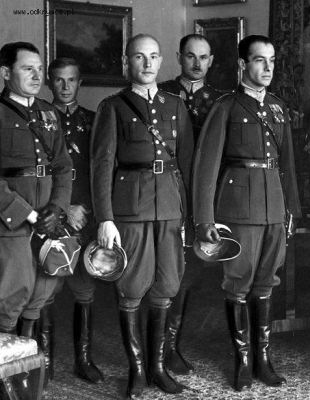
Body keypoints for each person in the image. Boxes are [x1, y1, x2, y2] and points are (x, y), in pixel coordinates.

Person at [193, 34, 301, 392]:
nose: (268, 68)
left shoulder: (279, 108)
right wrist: (204, 219)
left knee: (267, 280)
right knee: (238, 281)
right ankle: (241, 361)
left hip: (274, 206)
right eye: (259, 60)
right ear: (242, 65)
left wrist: (292, 209)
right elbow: (207, 165)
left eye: (272, 60)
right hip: (238, 207)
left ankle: (263, 360)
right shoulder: (226, 106)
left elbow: (288, 165)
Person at [90, 34, 193, 398]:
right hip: (130, 208)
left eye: (153, 56)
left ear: (162, 61)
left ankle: (158, 368)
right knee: (131, 287)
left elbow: (188, 164)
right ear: (126, 62)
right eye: (139, 57)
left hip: (170, 205)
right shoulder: (113, 107)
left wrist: (190, 216)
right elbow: (101, 166)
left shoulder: (175, 105)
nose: (147, 64)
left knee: (166, 285)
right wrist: (105, 218)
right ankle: (136, 370)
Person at [0, 41, 73, 396]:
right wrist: (28, 214)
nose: (37, 75)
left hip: (47, 221)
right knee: (12, 296)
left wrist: (56, 208)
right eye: (27, 68)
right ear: (5, 73)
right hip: (11, 225)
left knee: (41, 293)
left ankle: (25, 375)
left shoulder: (48, 113)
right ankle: (4, 380)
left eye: (39, 69)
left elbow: (63, 166)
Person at [30, 57, 104, 386]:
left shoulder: (93, 120)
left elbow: (99, 169)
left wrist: (85, 208)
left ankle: (83, 359)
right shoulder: (37, 118)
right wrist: (62, 208)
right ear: (49, 82)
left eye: (71, 80)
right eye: (58, 80)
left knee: (84, 289)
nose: (64, 86)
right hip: (50, 212)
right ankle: (44, 361)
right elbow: (39, 172)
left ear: (80, 83)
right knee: (46, 289)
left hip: (85, 213)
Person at [158, 33, 224, 376]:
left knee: (192, 271)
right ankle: (160, 348)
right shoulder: (162, 93)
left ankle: (174, 344)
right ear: (179, 57)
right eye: (190, 56)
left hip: (205, 193)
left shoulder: (221, 99)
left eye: (203, 57)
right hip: (168, 188)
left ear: (211, 60)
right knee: (165, 268)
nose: (197, 64)